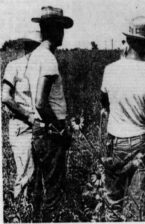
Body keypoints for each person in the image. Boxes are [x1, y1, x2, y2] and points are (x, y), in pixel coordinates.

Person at [100, 16, 145, 221]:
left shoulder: (110, 71)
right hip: (140, 143)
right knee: (137, 205)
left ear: (128, 41)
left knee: (112, 203)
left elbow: (105, 105)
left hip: (114, 141)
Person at [25, 6, 73, 221]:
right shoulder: (49, 59)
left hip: (38, 129)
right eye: (60, 28)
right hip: (49, 133)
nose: (62, 33)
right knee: (54, 191)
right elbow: (41, 102)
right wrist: (60, 129)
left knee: (37, 188)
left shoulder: (35, 56)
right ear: (52, 30)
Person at [2, 31, 41, 202]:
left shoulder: (41, 69)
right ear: (27, 47)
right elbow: (5, 97)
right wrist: (28, 116)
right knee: (26, 173)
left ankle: (32, 212)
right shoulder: (14, 66)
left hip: (39, 127)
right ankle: (19, 211)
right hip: (21, 126)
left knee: (38, 174)